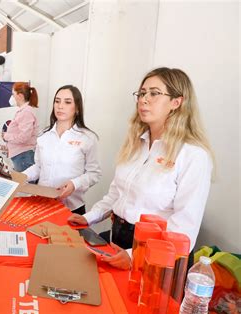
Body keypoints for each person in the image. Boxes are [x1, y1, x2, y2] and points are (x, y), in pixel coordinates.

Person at [68, 67, 214, 270]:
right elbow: (117, 194)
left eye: (154, 93)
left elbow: (183, 228)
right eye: (142, 93)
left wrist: (134, 255)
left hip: (158, 255)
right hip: (119, 237)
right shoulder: (136, 144)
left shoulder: (193, 155)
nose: (144, 99)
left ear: (176, 102)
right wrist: (87, 217)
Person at [23, 85, 102, 215]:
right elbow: (38, 167)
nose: (60, 106)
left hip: (72, 209)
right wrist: (22, 176)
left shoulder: (87, 138)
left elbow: (94, 173)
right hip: (42, 204)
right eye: (57, 101)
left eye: (67, 102)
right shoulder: (44, 135)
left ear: (77, 108)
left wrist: (74, 184)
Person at [2, 82, 39, 172]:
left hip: (23, 156)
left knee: (24, 185)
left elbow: (24, 138)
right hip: (21, 155)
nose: (12, 97)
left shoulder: (26, 112)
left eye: (13, 94)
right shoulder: (24, 111)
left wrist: (6, 136)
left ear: (20, 96)